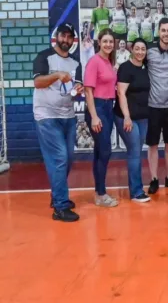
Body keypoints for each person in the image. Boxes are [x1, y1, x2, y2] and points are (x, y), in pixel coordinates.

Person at [33, 23, 84, 222]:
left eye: (70, 37)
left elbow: (75, 87)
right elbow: (38, 82)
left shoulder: (76, 62)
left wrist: (78, 89)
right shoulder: (44, 57)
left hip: (68, 116)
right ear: (57, 36)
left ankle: (57, 195)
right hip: (46, 115)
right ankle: (60, 207)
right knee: (60, 158)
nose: (66, 40)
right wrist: (56, 75)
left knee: (68, 158)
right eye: (63, 36)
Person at [146, 18, 168, 194]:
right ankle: (154, 179)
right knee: (153, 144)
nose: (166, 33)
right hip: (153, 106)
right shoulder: (149, 51)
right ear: (158, 32)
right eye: (163, 30)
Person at [83, 29, 118, 208]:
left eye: (111, 41)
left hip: (108, 107)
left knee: (100, 151)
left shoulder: (109, 62)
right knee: (105, 151)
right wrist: (94, 116)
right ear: (99, 42)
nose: (108, 44)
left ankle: (98, 193)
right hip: (97, 108)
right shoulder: (94, 61)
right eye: (105, 41)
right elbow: (88, 91)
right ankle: (101, 194)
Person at [114, 38, 151, 203]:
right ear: (132, 49)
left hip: (143, 118)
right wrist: (127, 117)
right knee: (135, 151)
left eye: (143, 49)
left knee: (136, 151)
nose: (140, 52)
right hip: (126, 118)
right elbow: (121, 93)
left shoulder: (146, 68)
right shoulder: (125, 68)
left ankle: (136, 189)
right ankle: (136, 192)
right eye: (137, 48)